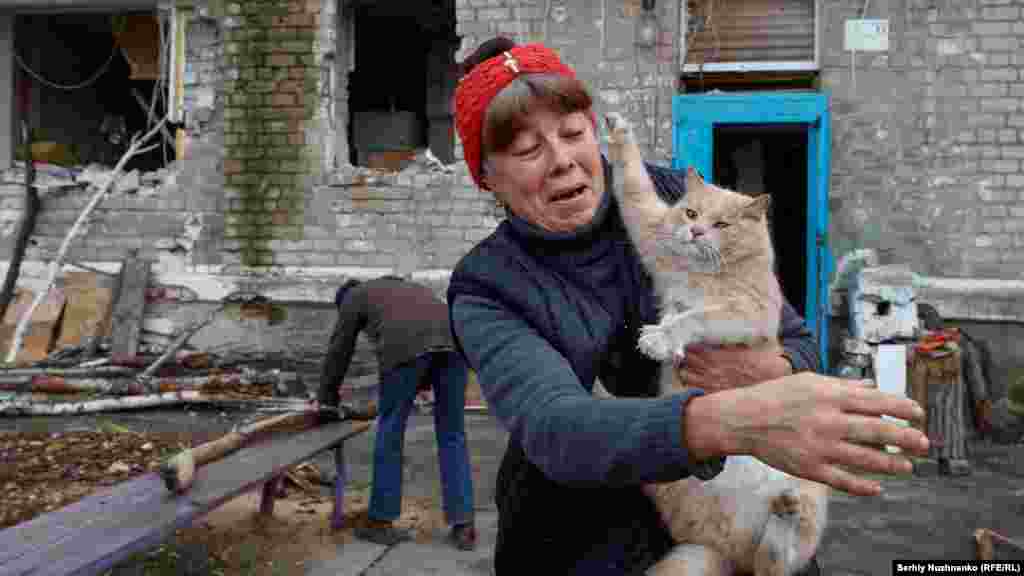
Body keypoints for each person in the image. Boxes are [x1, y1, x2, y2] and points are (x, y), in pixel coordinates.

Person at [446, 37, 930, 575]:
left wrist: (772, 369)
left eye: (573, 132)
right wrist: (742, 419)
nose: (563, 161)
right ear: (486, 176)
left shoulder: (685, 202)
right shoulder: (487, 284)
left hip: (744, 512)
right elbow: (556, 427)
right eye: (528, 150)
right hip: (580, 538)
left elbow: (797, 339)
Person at [318, 276, 477, 550]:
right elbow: (430, 328)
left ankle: (380, 521)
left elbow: (339, 350)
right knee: (453, 433)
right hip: (455, 345)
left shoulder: (352, 298)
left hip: (404, 347)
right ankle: (464, 526)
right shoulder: (399, 287)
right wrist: (423, 379)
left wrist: (326, 400)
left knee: (390, 428)